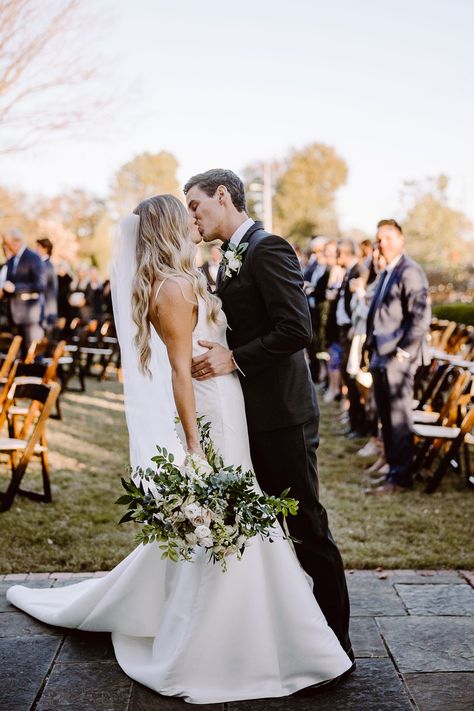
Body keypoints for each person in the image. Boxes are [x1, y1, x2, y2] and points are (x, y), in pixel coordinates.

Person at [7, 195, 352, 704]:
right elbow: (178, 372)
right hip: (213, 415)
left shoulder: (190, 275)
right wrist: (193, 444)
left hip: (234, 406)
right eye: (185, 214)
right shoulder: (170, 287)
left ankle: (268, 630)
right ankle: (232, 641)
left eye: (196, 209)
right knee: (235, 520)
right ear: (170, 226)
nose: (194, 220)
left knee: (248, 518)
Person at [184, 169, 353, 664]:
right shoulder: (229, 257)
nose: (191, 215)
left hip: (284, 415)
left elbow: (296, 329)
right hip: (252, 415)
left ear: (222, 195)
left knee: (306, 527)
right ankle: (290, 631)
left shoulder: (268, 247)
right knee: (270, 529)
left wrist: (232, 358)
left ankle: (336, 648)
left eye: (195, 204)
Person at [365, 219, 431, 495]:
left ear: (401, 240)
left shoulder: (410, 271)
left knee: (399, 419)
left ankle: (401, 478)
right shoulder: (387, 271)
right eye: (379, 239)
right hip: (381, 356)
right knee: (386, 418)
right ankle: (393, 471)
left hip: (398, 358)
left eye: (389, 238)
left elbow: (420, 318)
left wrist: (403, 354)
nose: (383, 244)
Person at [335, 238, 368, 438]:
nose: (337, 257)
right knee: (346, 376)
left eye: (339, 253)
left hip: (351, 330)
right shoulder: (349, 272)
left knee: (353, 377)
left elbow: (359, 304)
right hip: (344, 329)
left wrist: (353, 326)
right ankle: (353, 420)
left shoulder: (359, 271)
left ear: (346, 253)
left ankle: (359, 424)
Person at [1, 228, 46, 357]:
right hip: (14, 314)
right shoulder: (12, 261)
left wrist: (16, 288)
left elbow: (40, 285)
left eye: (8, 244)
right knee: (17, 354)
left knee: (32, 354)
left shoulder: (33, 257)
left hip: (30, 315)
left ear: (16, 242)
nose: (7, 248)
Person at [35, 237, 58, 334]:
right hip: (46, 309)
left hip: (46, 311)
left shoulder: (46, 266)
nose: (36, 249)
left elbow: (41, 286)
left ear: (45, 249)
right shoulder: (45, 264)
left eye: (38, 247)